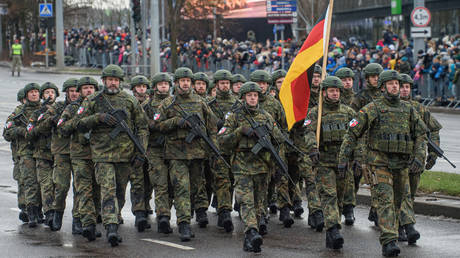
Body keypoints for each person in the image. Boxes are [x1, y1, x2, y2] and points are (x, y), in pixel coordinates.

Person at [339, 70, 427, 257]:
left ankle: (393, 232)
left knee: (397, 203)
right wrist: (344, 158)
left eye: (397, 83)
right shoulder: (372, 108)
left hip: (401, 165)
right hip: (379, 164)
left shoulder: (408, 109)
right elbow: (352, 133)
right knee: (386, 201)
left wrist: (419, 156)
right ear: (383, 87)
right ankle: (389, 241)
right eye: (391, 83)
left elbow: (421, 134)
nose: (395, 86)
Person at [76, 64, 149, 247]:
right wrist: (97, 118)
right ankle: (111, 228)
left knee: (119, 193)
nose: (113, 83)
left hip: (125, 156)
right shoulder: (93, 100)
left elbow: (142, 127)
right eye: (110, 80)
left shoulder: (129, 100)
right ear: (104, 81)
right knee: (107, 191)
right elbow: (79, 123)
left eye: (116, 80)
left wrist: (141, 151)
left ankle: (114, 218)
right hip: (102, 155)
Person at [218, 82, 284, 253]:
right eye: (249, 95)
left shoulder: (266, 116)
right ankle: (252, 231)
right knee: (246, 201)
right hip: (242, 166)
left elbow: (279, 140)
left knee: (259, 203)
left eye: (255, 95)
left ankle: (249, 238)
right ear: (243, 97)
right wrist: (240, 131)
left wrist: (277, 164)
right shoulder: (234, 117)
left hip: (263, 167)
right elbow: (223, 141)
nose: (253, 98)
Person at [157, 67, 216, 241]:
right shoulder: (168, 103)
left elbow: (212, 124)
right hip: (176, 154)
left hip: (197, 153)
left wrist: (213, 145)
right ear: (176, 83)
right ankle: (183, 224)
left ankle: (187, 215)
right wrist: (176, 122)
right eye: (181, 81)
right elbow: (157, 126)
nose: (185, 83)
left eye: (187, 81)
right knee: (181, 188)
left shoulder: (200, 102)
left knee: (195, 189)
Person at [304, 76, 356, 250]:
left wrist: (358, 158)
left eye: (337, 91)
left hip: (343, 163)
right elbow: (309, 132)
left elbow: (358, 134)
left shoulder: (349, 112)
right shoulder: (315, 112)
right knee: (329, 196)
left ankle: (331, 231)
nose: (335, 94)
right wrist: (312, 148)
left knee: (340, 199)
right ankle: (334, 229)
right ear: (324, 92)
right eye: (332, 91)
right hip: (324, 163)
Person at [398, 73, 442, 243]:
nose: (404, 89)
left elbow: (434, 130)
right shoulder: (388, 107)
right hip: (397, 159)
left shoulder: (421, 109)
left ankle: (402, 223)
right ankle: (405, 227)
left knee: (410, 194)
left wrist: (433, 153)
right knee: (404, 194)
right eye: (401, 86)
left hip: (416, 158)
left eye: (407, 87)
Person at [58, 76, 102, 241]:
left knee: (97, 190)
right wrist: (81, 119)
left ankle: (92, 221)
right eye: (85, 88)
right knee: (83, 189)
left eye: (91, 88)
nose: (89, 91)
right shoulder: (73, 108)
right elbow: (62, 128)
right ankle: (80, 221)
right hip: (80, 155)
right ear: (80, 91)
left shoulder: (101, 106)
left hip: (100, 154)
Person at [250, 70, 291, 231]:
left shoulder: (274, 104)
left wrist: (281, 142)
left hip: (274, 148)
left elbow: (284, 126)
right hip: (253, 152)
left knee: (281, 178)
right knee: (261, 182)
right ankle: (260, 213)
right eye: (259, 83)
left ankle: (285, 209)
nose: (261, 86)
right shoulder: (245, 104)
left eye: (264, 84)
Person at [350, 63, 384, 226]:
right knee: (356, 176)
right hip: (363, 141)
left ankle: (376, 210)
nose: (376, 79)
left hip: (380, 142)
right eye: (373, 77)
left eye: (378, 76)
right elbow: (353, 120)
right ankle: (348, 204)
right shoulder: (361, 97)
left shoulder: (386, 95)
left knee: (376, 179)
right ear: (367, 78)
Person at [4, 83, 42, 227]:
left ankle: (39, 210)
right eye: (31, 92)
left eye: (36, 92)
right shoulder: (18, 112)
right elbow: (7, 132)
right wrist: (20, 131)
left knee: (43, 184)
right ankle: (28, 210)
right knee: (28, 182)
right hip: (25, 152)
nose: (34, 95)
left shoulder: (45, 110)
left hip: (43, 152)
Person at [143, 72, 173, 234]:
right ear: (154, 87)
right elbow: (140, 124)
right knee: (160, 182)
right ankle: (163, 216)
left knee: (173, 184)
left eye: (166, 84)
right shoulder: (147, 105)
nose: (163, 86)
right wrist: (152, 124)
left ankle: (167, 209)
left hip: (174, 148)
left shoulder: (175, 103)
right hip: (154, 149)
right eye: (160, 84)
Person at [26, 82, 59, 227]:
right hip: (42, 154)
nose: (49, 95)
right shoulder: (37, 113)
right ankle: (49, 212)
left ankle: (56, 211)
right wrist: (46, 122)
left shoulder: (62, 109)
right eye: (46, 93)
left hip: (58, 154)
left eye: (52, 92)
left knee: (58, 186)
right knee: (46, 185)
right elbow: (30, 132)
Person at [207, 69, 236, 233]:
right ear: (217, 85)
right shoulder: (209, 105)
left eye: (227, 83)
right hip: (217, 149)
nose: (225, 86)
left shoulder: (238, 103)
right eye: (222, 83)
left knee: (231, 180)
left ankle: (224, 207)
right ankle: (224, 213)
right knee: (222, 180)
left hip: (233, 149)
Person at [335, 67, 358, 225]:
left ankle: (348, 205)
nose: (347, 82)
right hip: (335, 144)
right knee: (342, 179)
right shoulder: (333, 98)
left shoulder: (358, 99)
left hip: (353, 143)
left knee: (355, 177)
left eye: (349, 79)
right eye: (344, 80)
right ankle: (345, 208)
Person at [3, 87, 28, 223]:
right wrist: (18, 131)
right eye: (24, 99)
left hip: (35, 155)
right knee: (22, 182)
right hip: (19, 155)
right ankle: (24, 208)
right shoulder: (15, 115)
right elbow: (6, 133)